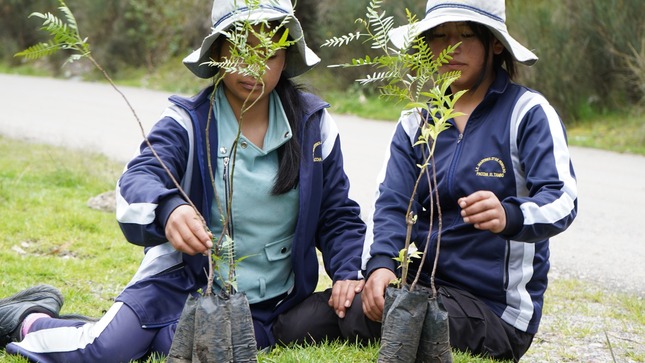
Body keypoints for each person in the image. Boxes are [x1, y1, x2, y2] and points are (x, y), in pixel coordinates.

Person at [1, 0, 378, 361]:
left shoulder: (313, 127)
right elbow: (139, 177)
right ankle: (28, 320)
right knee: (104, 351)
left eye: (268, 53)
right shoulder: (188, 121)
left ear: (285, 58)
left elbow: (337, 212)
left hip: (264, 305)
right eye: (239, 49)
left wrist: (347, 270)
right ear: (217, 51)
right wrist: (170, 209)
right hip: (177, 283)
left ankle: (103, 326)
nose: (253, 67)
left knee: (175, 346)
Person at [361, 0, 578, 361]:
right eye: (440, 35)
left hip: (494, 311)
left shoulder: (528, 113)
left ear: (494, 43)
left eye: (465, 34)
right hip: (417, 287)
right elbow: (393, 204)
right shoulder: (415, 122)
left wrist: (511, 216)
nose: (451, 47)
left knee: (415, 322)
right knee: (319, 316)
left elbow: (563, 200)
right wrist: (382, 265)